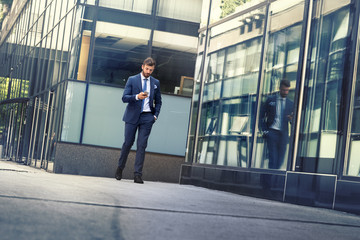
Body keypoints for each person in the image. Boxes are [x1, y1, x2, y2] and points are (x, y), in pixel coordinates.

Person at [115, 57, 162, 183]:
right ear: (142, 67)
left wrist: (155, 116)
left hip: (147, 117)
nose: (148, 71)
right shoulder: (132, 79)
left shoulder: (155, 83)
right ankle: (120, 168)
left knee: (142, 145)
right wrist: (137, 97)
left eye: (151, 70)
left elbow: (158, 102)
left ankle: (137, 175)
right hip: (132, 116)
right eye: (147, 69)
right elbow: (124, 98)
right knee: (128, 143)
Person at [261, 79, 293, 169]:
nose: (285, 92)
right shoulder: (270, 100)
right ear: (279, 88)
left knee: (280, 161)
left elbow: (293, 121)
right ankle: (268, 183)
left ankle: (274, 182)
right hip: (272, 133)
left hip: (283, 135)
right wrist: (265, 131)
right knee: (273, 160)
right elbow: (261, 116)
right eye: (283, 90)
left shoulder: (291, 103)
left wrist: (291, 120)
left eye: (287, 90)